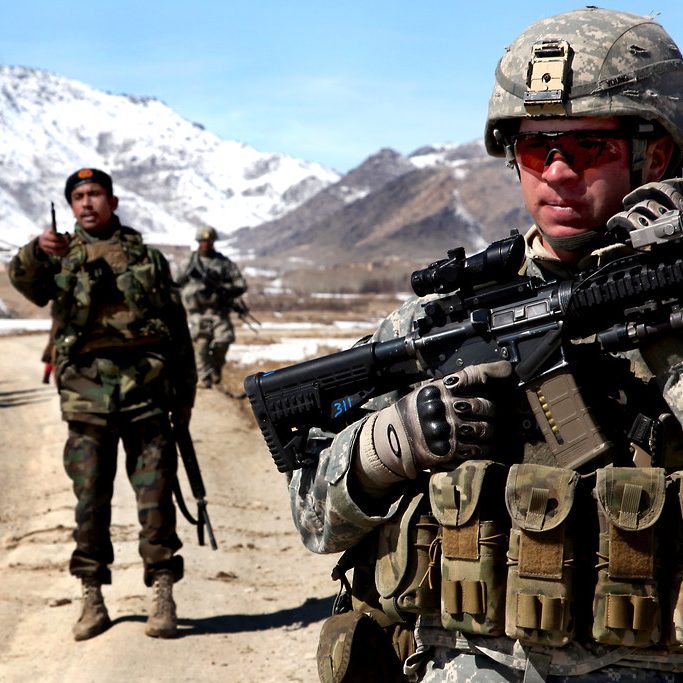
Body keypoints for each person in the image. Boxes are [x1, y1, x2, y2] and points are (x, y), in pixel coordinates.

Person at [286, 8, 683, 682]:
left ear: (657, 152)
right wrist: (388, 445)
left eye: (589, 149)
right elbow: (311, 516)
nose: (557, 172)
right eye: (536, 148)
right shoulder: (449, 321)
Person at [9, 168, 197, 641]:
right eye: (78, 196)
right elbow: (24, 284)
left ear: (112, 201)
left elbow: (178, 331)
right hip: (85, 397)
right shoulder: (58, 257)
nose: (86, 202)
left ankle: (161, 591)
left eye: (94, 194)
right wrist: (36, 251)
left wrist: (186, 397)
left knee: (155, 502)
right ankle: (91, 594)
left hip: (145, 394)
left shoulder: (148, 258)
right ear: (69, 207)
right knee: (90, 500)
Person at [176, 226, 247, 389]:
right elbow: (175, 284)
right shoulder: (189, 263)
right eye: (202, 241)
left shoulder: (224, 263)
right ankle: (204, 377)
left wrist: (223, 288)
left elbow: (240, 284)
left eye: (209, 241)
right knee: (200, 344)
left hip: (218, 312)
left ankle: (215, 369)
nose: (206, 244)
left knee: (224, 340)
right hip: (197, 312)